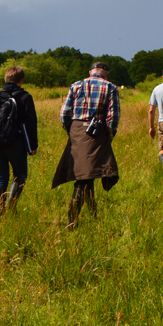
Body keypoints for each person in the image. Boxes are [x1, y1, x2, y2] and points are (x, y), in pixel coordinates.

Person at [51, 61, 120, 229]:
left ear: (91, 72)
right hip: (97, 134)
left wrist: (71, 131)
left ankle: (93, 214)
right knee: (86, 176)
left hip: (76, 131)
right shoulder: (110, 88)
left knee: (87, 173)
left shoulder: (76, 85)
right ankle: (71, 221)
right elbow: (113, 117)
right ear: (106, 74)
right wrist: (108, 137)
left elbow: (64, 113)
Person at [0, 65, 39, 214]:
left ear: (6, 79)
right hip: (14, 145)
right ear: (21, 80)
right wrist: (32, 146)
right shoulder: (24, 97)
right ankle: (11, 206)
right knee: (20, 175)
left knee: (1, 179)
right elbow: (30, 123)